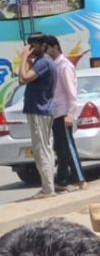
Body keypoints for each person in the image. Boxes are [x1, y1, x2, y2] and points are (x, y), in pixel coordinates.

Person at [17, 33, 56, 198]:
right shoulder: (41, 62)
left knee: (42, 150)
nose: (31, 48)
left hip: (40, 111)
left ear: (43, 46)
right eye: (29, 45)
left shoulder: (44, 63)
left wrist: (24, 57)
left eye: (34, 45)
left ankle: (48, 189)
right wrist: (27, 59)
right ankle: (48, 186)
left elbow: (23, 77)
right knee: (43, 148)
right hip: (40, 111)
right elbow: (22, 80)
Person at [45, 35, 86, 191]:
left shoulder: (64, 66)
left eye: (47, 48)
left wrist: (70, 114)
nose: (46, 52)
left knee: (68, 146)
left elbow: (71, 93)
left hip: (64, 113)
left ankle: (80, 179)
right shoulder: (54, 65)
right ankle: (62, 179)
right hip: (55, 113)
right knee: (60, 148)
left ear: (55, 47)